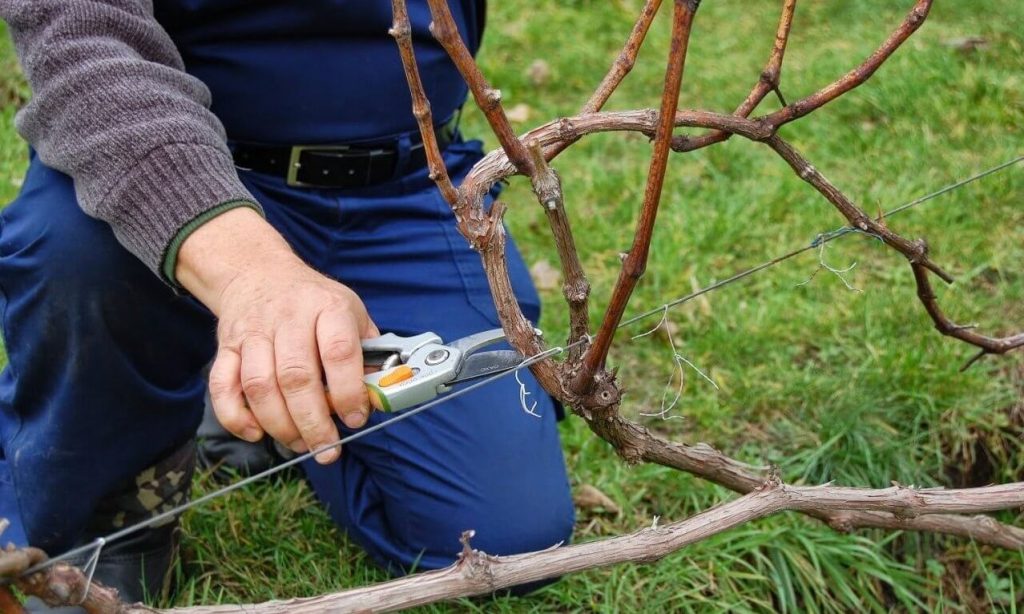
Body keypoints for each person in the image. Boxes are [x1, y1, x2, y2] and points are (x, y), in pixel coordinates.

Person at [0, 0, 575, 604]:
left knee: (509, 545)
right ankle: (114, 518)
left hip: (407, 188)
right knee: (74, 253)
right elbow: (82, 49)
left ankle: (266, 398)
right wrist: (253, 274)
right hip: (171, 167)